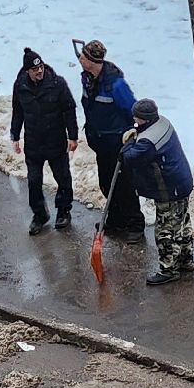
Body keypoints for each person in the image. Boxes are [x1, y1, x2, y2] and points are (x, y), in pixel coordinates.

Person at [119, 98, 194, 286]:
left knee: (165, 229)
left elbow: (127, 157)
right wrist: (137, 132)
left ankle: (168, 269)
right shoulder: (163, 122)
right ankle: (186, 260)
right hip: (181, 182)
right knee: (181, 222)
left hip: (168, 188)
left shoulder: (148, 142)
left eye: (136, 118)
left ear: (145, 118)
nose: (134, 119)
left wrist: (129, 142)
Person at [75, 40, 143, 242]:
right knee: (106, 183)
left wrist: (132, 134)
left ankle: (135, 224)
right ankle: (116, 219)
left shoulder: (115, 84)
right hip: (100, 142)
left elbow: (132, 110)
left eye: (84, 57)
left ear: (92, 61)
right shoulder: (87, 78)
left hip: (117, 143)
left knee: (124, 185)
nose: (80, 59)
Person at [10, 49, 79, 235]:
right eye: (35, 69)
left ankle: (64, 210)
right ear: (27, 71)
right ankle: (39, 214)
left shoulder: (57, 84)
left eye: (40, 67)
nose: (39, 71)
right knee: (33, 181)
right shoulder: (20, 86)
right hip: (33, 143)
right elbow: (18, 111)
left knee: (62, 177)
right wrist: (15, 135)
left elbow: (69, 109)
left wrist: (73, 136)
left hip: (55, 141)